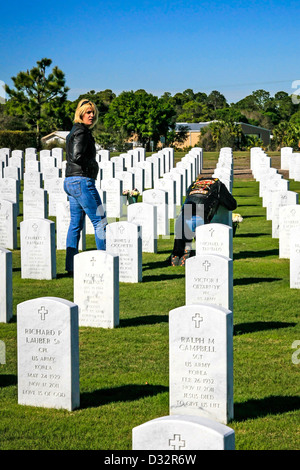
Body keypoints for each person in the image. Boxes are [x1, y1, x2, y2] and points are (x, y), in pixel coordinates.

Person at [64, 99, 107, 275]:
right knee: (100, 221)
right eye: (88, 112)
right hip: (82, 180)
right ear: (80, 113)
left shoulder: (75, 130)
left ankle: (71, 266)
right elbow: (77, 156)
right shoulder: (81, 132)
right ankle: (105, 262)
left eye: (93, 112)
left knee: (75, 224)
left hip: (70, 181)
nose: (91, 115)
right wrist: (92, 165)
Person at [170, 176, 237, 266]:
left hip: (183, 216)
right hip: (201, 215)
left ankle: (178, 254)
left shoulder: (194, 184)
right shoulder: (218, 184)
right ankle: (191, 254)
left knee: (182, 239)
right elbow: (232, 205)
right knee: (203, 247)